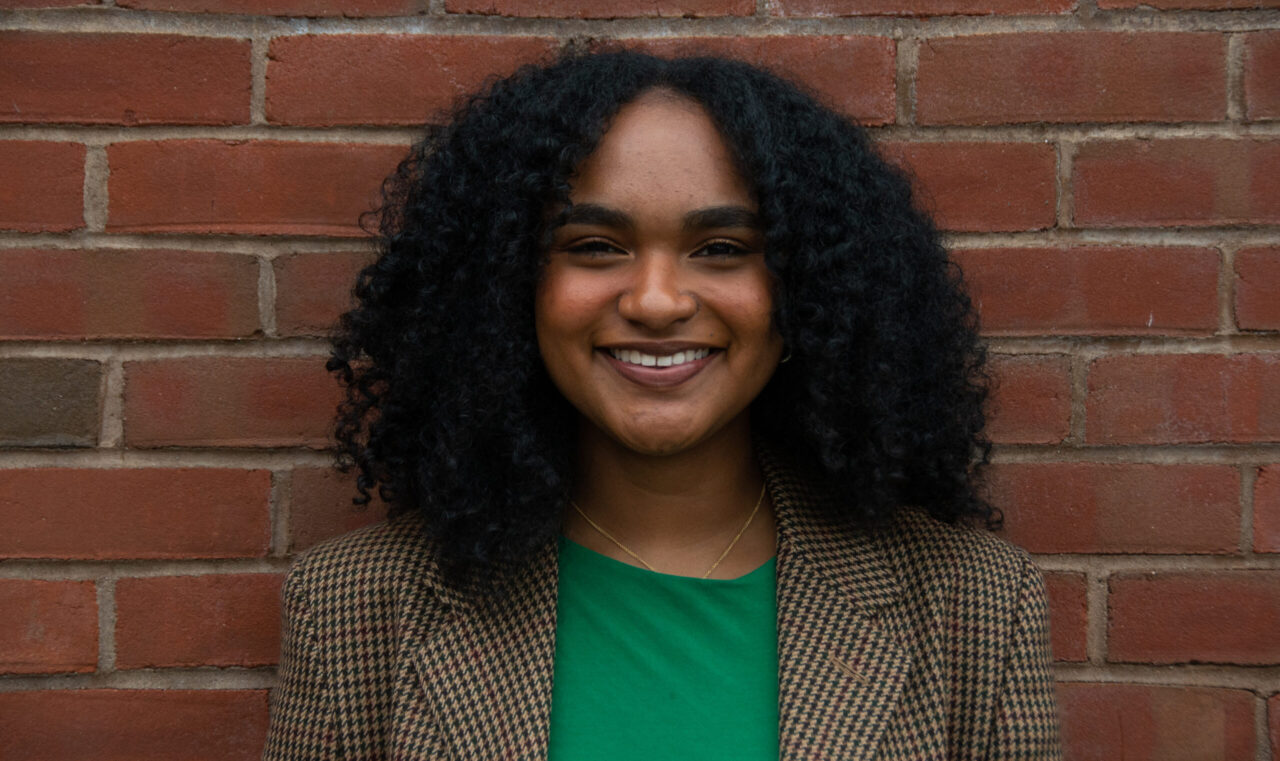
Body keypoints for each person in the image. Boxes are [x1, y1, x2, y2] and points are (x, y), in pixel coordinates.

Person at [263, 47, 1061, 760]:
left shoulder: (975, 607)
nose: (654, 300)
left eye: (721, 249)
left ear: (809, 293)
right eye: (594, 247)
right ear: (511, 289)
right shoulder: (355, 610)